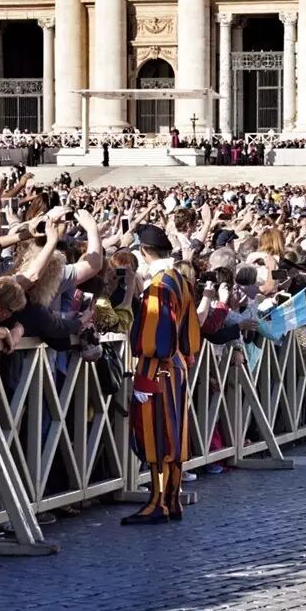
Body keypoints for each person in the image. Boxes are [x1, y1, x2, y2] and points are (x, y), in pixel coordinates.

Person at [124, 224, 201, 524]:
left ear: (143, 251)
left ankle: (159, 502)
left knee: (157, 436)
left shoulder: (159, 284)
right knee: (174, 435)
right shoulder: (179, 279)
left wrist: (146, 374)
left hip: (159, 367)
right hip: (177, 365)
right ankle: (171, 498)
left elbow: (156, 337)